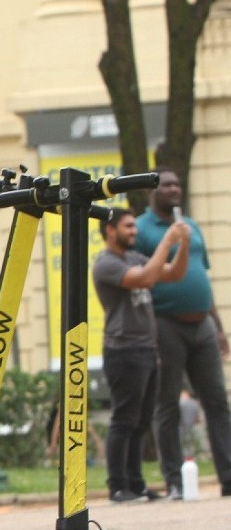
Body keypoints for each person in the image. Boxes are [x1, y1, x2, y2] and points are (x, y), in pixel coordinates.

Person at [134, 168, 231, 498]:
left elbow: (201, 276)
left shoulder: (191, 225)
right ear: (154, 191)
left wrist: (218, 327)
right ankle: (175, 480)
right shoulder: (143, 228)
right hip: (165, 323)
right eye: (167, 184)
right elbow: (144, 276)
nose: (174, 188)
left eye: (177, 184)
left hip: (202, 323)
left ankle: (229, 477)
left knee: (217, 399)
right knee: (168, 404)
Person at [93, 207, 189, 502]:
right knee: (124, 419)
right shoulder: (106, 263)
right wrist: (168, 239)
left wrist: (183, 244)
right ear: (111, 230)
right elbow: (145, 278)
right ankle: (117, 486)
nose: (134, 231)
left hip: (147, 349)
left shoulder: (134, 257)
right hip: (123, 350)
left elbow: (173, 273)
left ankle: (136, 484)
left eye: (134, 226)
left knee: (142, 420)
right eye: (129, 226)